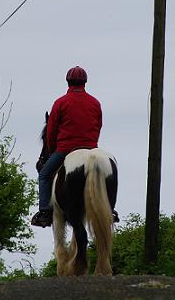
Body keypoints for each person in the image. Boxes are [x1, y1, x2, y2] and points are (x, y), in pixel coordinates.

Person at [30, 66, 119, 228]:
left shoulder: (60, 103)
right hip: (91, 148)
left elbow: (51, 131)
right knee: (111, 168)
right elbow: (98, 126)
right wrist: (92, 145)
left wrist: (52, 149)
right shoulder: (95, 102)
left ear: (68, 81)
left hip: (66, 149)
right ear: (85, 82)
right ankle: (110, 209)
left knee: (44, 174)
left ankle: (44, 212)